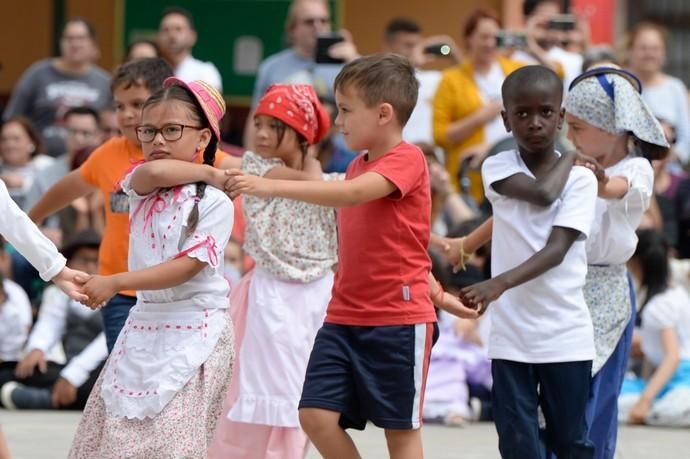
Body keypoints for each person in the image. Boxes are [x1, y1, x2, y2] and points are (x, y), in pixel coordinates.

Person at [225, 53, 479, 458]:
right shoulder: (357, 165)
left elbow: (351, 196)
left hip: (396, 322)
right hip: (343, 316)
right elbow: (394, 238)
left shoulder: (407, 159)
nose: (338, 122)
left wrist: (268, 185)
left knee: (400, 433)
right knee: (314, 416)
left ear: (383, 113)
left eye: (345, 110)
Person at [68, 78, 235, 458]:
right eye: (149, 131)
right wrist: (211, 171)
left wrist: (117, 282)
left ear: (203, 138)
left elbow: (187, 267)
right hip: (144, 326)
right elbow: (153, 174)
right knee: (117, 437)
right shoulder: (140, 182)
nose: (158, 140)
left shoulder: (214, 204)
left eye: (172, 130)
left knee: (170, 441)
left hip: (196, 329)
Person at [28, 58, 239, 353]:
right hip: (120, 289)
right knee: (128, 365)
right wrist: (29, 219)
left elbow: (242, 170)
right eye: (118, 106)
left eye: (136, 104)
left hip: (177, 299)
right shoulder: (109, 154)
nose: (127, 115)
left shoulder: (190, 149)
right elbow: (72, 184)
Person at [457, 66, 597, 458]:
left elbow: (556, 250)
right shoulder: (497, 167)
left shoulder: (583, 183)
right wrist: (574, 157)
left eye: (545, 112)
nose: (534, 123)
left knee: (571, 442)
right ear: (505, 119)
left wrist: (497, 283)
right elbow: (541, 193)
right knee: (518, 445)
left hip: (566, 335)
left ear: (561, 117)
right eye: (522, 113)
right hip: (511, 338)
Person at [209, 84, 336, 458]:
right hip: (267, 295)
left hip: (316, 297)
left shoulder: (329, 183)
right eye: (258, 124)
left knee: (300, 395)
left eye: (274, 126)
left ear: (302, 133)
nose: (261, 134)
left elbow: (314, 180)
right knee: (250, 392)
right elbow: (204, 162)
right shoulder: (252, 168)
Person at [0, 230, 106, 411]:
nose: (90, 268)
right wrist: (37, 348)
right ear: (69, 262)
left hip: (100, 367)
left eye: (96, 261)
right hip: (67, 365)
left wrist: (72, 376)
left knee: (103, 387)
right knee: (11, 373)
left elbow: (106, 342)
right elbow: (50, 324)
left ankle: (46, 400)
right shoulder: (59, 293)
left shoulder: (120, 296)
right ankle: (59, 393)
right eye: (84, 260)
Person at [432, 8, 525, 202]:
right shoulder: (451, 80)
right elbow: (440, 135)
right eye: (483, 37)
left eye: (495, 37)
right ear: (469, 39)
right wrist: (479, 118)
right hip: (471, 179)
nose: (490, 43)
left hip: (517, 173)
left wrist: (492, 147)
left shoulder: (516, 70)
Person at [243, 0, 359, 149]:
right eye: (309, 22)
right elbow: (256, 117)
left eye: (324, 20)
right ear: (292, 29)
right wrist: (249, 158)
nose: (318, 26)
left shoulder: (349, 64)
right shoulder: (271, 67)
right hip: (285, 155)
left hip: (342, 157)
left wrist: (355, 60)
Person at [2, 18, 112, 158]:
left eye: (81, 38)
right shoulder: (37, 74)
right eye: (69, 38)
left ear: (92, 43)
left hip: (89, 161)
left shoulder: (104, 81)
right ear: (60, 42)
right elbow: (13, 118)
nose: (75, 43)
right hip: (39, 162)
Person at [618, 229, 690, 427]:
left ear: (636, 264)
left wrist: (644, 400)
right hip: (672, 379)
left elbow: (672, 356)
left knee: (618, 403)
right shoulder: (677, 293)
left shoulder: (658, 307)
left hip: (679, 381)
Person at [382, 17, 457, 145]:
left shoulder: (434, 79)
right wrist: (409, 67)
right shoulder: (376, 78)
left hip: (428, 158)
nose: (414, 51)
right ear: (388, 46)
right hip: (390, 157)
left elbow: (467, 79)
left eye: (418, 45)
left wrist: (453, 50)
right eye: (408, 45)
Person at [625, 22, 690, 164]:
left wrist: (666, 160)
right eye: (643, 48)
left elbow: (687, 140)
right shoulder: (622, 85)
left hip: (669, 175)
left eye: (655, 48)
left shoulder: (675, 88)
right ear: (630, 50)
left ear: (664, 52)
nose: (649, 54)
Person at [157, 7, 222, 91]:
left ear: (192, 36)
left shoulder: (206, 72)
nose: (171, 35)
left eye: (178, 29)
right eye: (166, 30)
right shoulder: (152, 73)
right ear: (158, 37)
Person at [0, 117, 52, 210]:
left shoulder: (46, 165)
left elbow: (56, 195)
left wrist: (23, 184)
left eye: (16, 139)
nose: (10, 145)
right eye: (4, 139)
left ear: (31, 142)